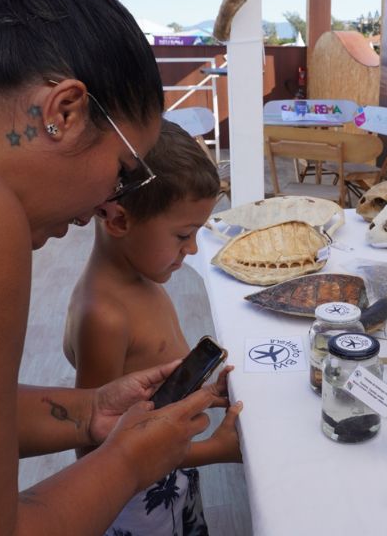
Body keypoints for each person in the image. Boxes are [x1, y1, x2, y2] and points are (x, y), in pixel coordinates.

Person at [0, 0, 224, 532]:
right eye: (127, 172)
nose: (111, 203)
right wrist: (127, 462)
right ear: (64, 112)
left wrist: (92, 408)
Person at [64, 120, 243, 535]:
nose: (194, 249)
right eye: (183, 234)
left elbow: (149, 395)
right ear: (120, 221)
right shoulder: (104, 316)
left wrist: (199, 395)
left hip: (170, 478)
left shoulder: (142, 279)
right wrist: (212, 450)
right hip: (138, 504)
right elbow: (95, 450)